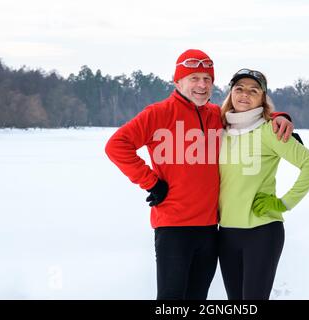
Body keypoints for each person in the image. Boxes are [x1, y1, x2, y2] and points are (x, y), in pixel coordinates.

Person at [104, 49, 295, 300]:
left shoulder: (218, 115)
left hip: (209, 229)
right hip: (173, 227)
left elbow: (249, 116)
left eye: (207, 79)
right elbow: (116, 146)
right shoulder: (157, 114)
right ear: (177, 81)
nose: (202, 85)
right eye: (194, 78)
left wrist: (280, 118)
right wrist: (151, 182)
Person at [218, 68, 309, 300]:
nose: (245, 94)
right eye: (239, 89)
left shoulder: (270, 131)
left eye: (254, 90)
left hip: (261, 233)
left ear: (263, 98)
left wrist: (284, 203)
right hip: (225, 234)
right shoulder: (219, 130)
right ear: (230, 93)